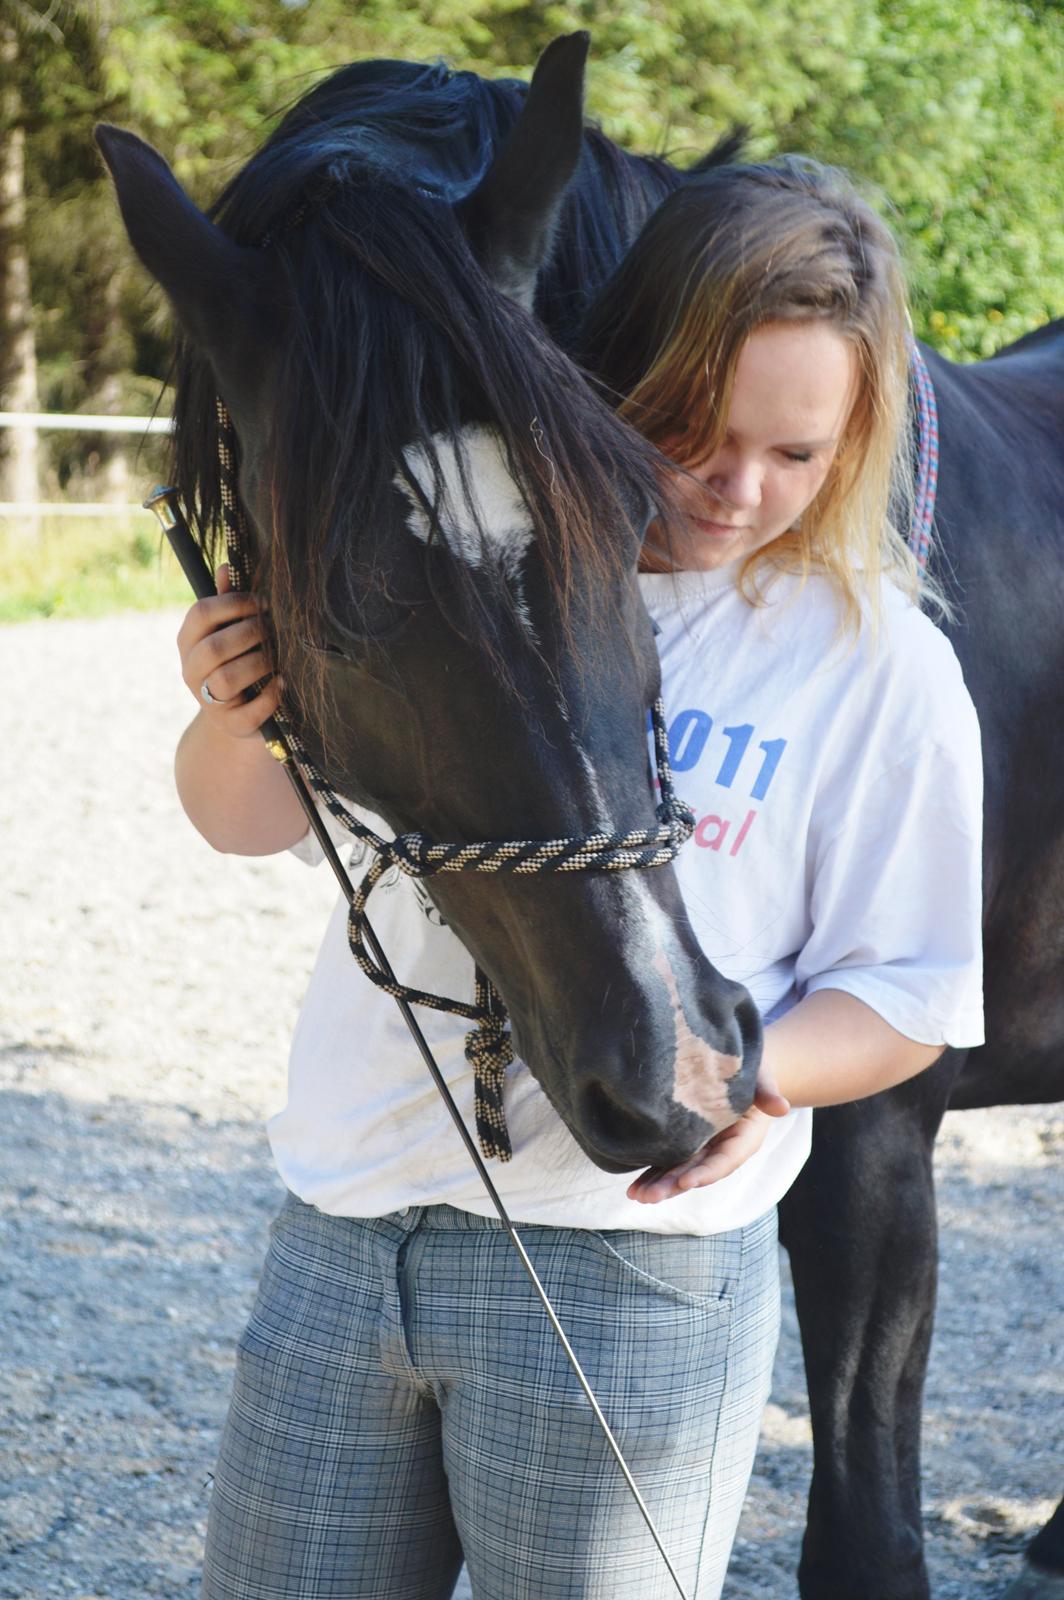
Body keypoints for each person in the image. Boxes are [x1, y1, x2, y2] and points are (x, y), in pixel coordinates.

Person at [175, 157, 983, 1600]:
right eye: (694, 429)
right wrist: (232, 709)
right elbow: (247, 824)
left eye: (797, 454)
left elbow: (915, 992)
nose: (738, 489)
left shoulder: (879, 668)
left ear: (857, 444)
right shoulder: (473, 559)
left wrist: (760, 1073)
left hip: (630, 1264)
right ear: (613, 377)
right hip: (349, 1217)